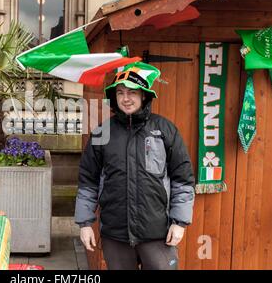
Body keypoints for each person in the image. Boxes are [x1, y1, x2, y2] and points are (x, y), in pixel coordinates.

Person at [75, 62, 195, 270]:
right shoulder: (103, 133)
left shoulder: (165, 130)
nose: (126, 98)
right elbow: (88, 181)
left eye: (132, 92)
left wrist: (180, 222)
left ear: (144, 96)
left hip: (158, 233)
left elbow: (183, 179)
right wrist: (85, 224)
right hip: (116, 234)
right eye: (120, 93)